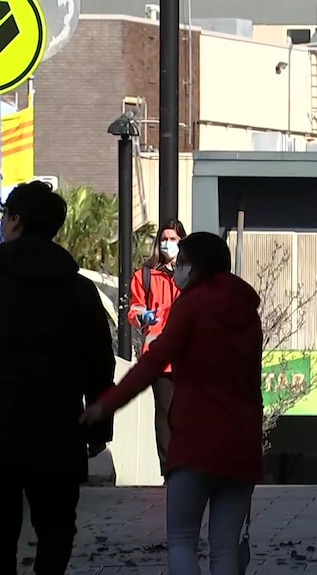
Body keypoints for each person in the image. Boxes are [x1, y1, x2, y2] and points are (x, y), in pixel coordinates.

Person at [81, 232, 263, 575]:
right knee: (225, 547)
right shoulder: (247, 313)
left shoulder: (190, 305)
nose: (175, 269)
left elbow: (154, 361)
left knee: (182, 540)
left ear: (194, 268)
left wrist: (106, 404)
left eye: (180, 264)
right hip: (242, 444)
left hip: (196, 441)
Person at [0, 181, 115, 575]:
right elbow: (101, 361)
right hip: (58, 429)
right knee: (56, 529)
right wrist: (98, 425)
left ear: (15, 221)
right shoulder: (80, 290)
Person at [129, 219, 187, 476]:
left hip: (188, 354)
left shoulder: (191, 275)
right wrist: (143, 316)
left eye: (173, 239)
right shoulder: (146, 275)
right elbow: (134, 308)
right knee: (164, 410)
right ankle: (169, 468)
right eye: (164, 238)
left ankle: (187, 463)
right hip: (159, 355)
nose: (167, 243)